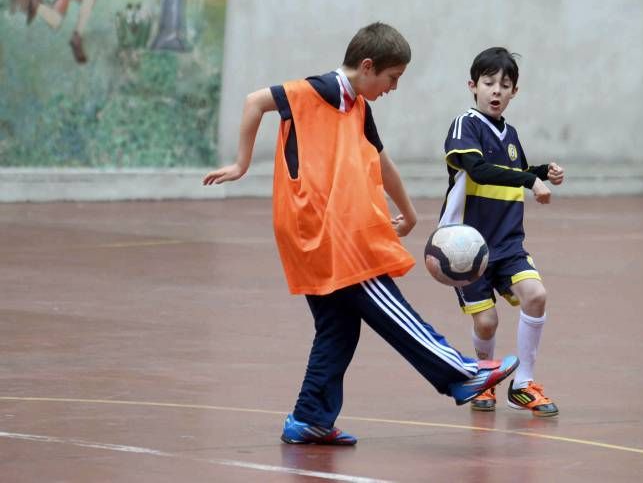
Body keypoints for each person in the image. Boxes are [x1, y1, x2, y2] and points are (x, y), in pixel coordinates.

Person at [202, 23, 519, 446]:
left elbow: (382, 161)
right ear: (367, 67)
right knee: (384, 300)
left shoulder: (359, 109)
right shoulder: (318, 90)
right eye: (392, 78)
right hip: (326, 230)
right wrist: (241, 164)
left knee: (338, 327)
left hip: (324, 231)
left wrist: (406, 213)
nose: (394, 87)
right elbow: (254, 101)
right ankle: (458, 374)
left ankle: (310, 416)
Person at [438, 47, 563, 417]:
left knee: (536, 296)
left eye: (504, 85)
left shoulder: (511, 133)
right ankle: (485, 378)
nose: (496, 91)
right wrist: (530, 180)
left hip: (508, 243)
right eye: (488, 83)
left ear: (514, 92)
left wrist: (541, 172)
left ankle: (522, 384)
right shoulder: (465, 125)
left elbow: (513, 171)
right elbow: (479, 170)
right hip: (467, 245)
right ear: (472, 86)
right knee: (487, 322)